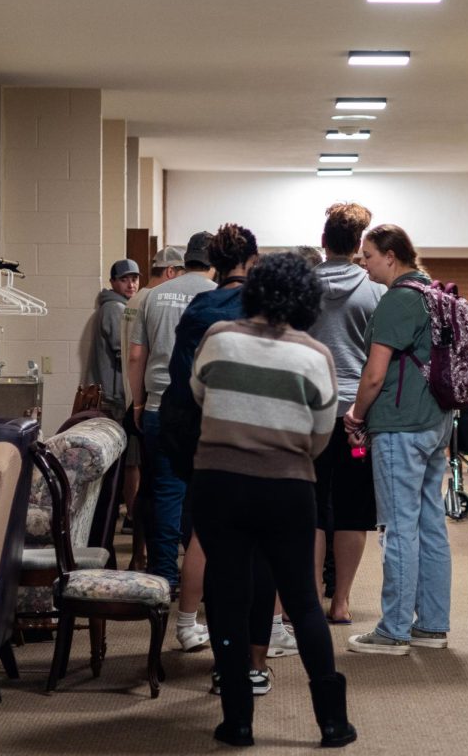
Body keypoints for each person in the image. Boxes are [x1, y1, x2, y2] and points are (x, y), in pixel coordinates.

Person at [190, 252, 356, 748]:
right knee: (303, 599)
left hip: (218, 484)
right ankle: (331, 723)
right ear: (308, 299)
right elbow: (322, 434)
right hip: (287, 487)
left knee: (229, 598)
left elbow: (201, 394)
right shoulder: (314, 355)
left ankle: (237, 720)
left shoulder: (218, 338)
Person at [159, 223, 290, 693]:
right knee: (261, 558)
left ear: (213, 264)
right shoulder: (270, 309)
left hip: (209, 449)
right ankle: (255, 664)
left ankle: (224, 662)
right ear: (253, 261)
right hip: (263, 450)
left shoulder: (199, 309)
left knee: (217, 553)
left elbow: (181, 386)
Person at [344, 224, 453, 656]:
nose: (364, 263)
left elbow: (374, 374)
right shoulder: (437, 296)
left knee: (398, 528)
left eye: (368, 255)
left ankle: (392, 631)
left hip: (399, 426)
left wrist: (356, 415)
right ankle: (432, 623)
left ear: (391, 256)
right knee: (430, 524)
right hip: (435, 423)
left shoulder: (397, 301)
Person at [126, 232, 216, 650]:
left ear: (183, 263)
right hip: (206, 411)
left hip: (161, 406)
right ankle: (205, 581)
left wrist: (139, 403)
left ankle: (165, 578)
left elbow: (135, 356)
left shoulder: (151, 296)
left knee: (165, 493)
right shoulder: (220, 296)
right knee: (207, 499)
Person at [308, 203, 384, 625]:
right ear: (358, 245)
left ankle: (311, 597)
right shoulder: (376, 291)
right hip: (359, 413)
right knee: (353, 508)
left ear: (323, 242)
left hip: (310, 413)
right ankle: (341, 602)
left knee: (314, 506)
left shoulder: (302, 287)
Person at [118, 245, 186, 540]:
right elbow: (139, 356)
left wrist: (135, 403)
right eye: (181, 274)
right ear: (170, 271)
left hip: (136, 399)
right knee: (167, 488)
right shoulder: (157, 301)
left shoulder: (135, 301)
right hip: (153, 402)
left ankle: (140, 556)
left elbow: (131, 357)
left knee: (149, 484)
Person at [87, 258, 139, 417]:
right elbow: (124, 353)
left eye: (134, 279)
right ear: (112, 282)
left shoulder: (123, 306)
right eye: (124, 280)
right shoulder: (115, 308)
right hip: (111, 396)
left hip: (112, 394)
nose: (131, 285)